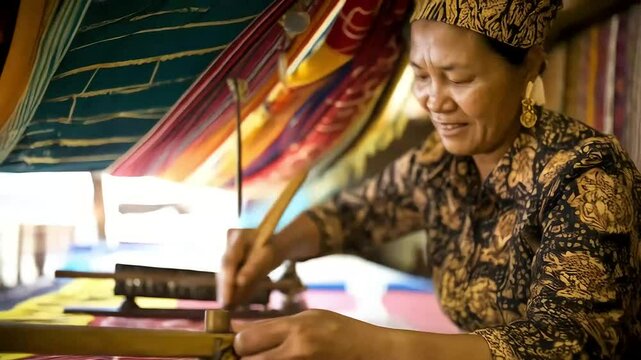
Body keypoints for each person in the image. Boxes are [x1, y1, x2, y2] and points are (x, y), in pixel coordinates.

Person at [219, 0, 641, 358]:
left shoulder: (587, 174)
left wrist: (373, 345)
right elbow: (354, 215)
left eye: (458, 78)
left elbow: (570, 344)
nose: (433, 101)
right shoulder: (441, 164)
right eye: (421, 76)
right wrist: (272, 247)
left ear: (529, 65)